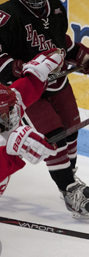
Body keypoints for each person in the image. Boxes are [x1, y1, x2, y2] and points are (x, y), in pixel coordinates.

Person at [0, 0, 89, 218]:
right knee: (54, 135)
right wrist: (17, 67)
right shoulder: (7, 15)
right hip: (27, 88)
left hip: (58, 83)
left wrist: (80, 55)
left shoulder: (56, 7)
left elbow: (61, 43)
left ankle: (70, 178)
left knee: (71, 131)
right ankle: (69, 190)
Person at [0, 49, 61, 196]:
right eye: (3, 115)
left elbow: (28, 86)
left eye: (10, 111)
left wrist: (38, 70)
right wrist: (12, 148)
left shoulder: (11, 103)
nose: (11, 116)